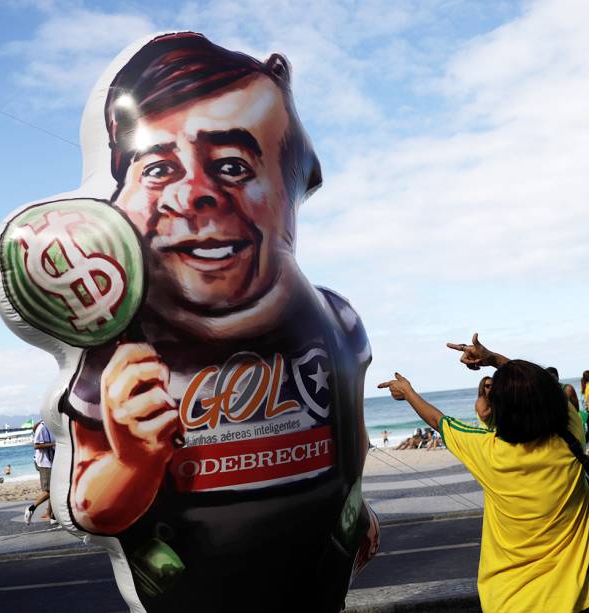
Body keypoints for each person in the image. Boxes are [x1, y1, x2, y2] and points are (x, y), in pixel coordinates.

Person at [55, 33, 377, 610]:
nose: (195, 194)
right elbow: (92, 509)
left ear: (292, 185)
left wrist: (355, 507)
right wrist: (132, 461)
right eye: (157, 168)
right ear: (117, 195)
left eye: (232, 165)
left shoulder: (334, 321)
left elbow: (348, 441)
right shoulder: (120, 352)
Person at [378, 334, 589, 612]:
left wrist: (408, 393)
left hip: (515, 601)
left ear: (498, 409)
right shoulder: (569, 434)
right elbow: (543, 387)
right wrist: (492, 359)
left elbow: (437, 421)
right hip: (587, 598)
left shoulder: (487, 451)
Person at [24, 420, 55, 524]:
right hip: (44, 463)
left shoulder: (53, 425)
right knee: (49, 491)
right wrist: (54, 444)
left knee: (55, 489)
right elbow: (36, 445)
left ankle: (52, 515)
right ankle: (31, 508)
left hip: (53, 462)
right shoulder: (42, 427)